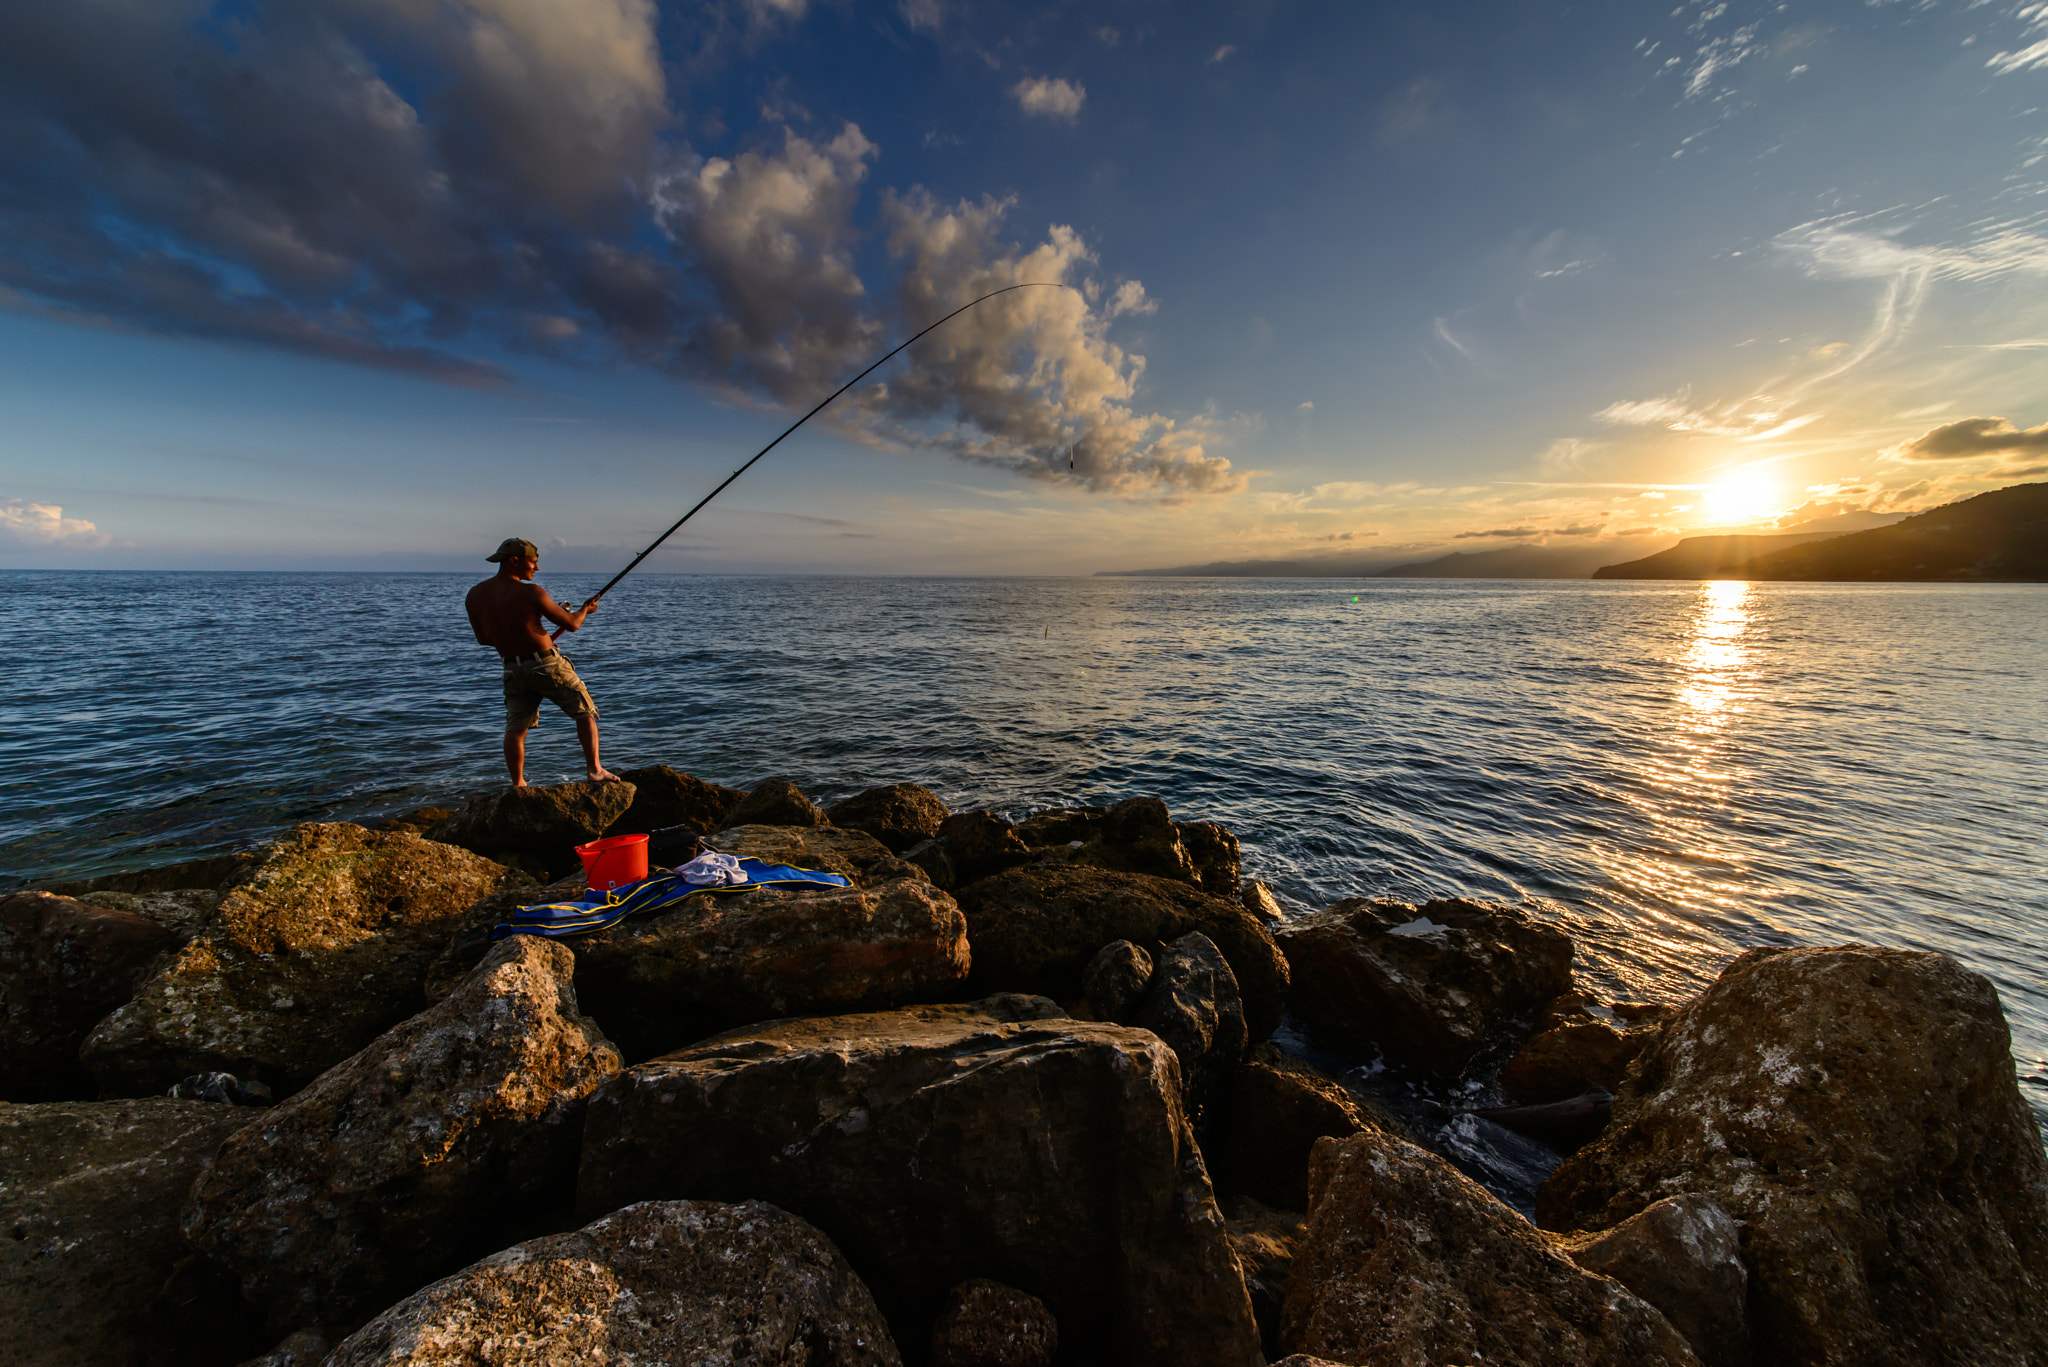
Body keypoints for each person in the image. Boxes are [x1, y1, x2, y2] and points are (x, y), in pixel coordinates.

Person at [465, 538, 619, 786]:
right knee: (585, 711)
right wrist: (584, 609)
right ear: (514, 560)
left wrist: (535, 639)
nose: (536, 568)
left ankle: (518, 784)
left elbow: (484, 639)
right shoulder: (532, 592)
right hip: (546, 665)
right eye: (533, 562)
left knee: (516, 728)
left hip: (512, 669)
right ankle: (595, 770)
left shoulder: (475, 595)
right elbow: (572, 624)